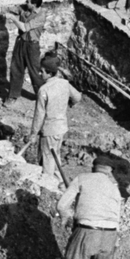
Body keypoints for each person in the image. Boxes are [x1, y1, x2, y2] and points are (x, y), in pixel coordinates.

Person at [54, 154, 123, 259]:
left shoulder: (82, 178)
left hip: (86, 231)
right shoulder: (114, 187)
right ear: (110, 171)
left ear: (94, 167)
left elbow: (62, 205)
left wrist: (68, 217)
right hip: (110, 234)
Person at [26, 52, 80, 189]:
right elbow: (78, 97)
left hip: (49, 130)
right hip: (61, 128)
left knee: (47, 159)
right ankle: (58, 182)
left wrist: (33, 134)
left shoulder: (44, 90)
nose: (39, 74)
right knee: (56, 154)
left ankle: (47, 186)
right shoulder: (64, 83)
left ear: (49, 73)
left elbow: (39, 115)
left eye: (42, 72)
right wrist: (69, 104)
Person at [8, 0, 47, 102]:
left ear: (34, 4)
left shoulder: (40, 16)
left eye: (28, 1)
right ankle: (13, 95)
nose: (26, 2)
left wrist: (14, 19)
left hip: (32, 47)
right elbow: (8, 9)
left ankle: (43, 96)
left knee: (34, 72)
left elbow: (24, 27)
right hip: (20, 43)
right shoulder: (25, 8)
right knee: (16, 69)